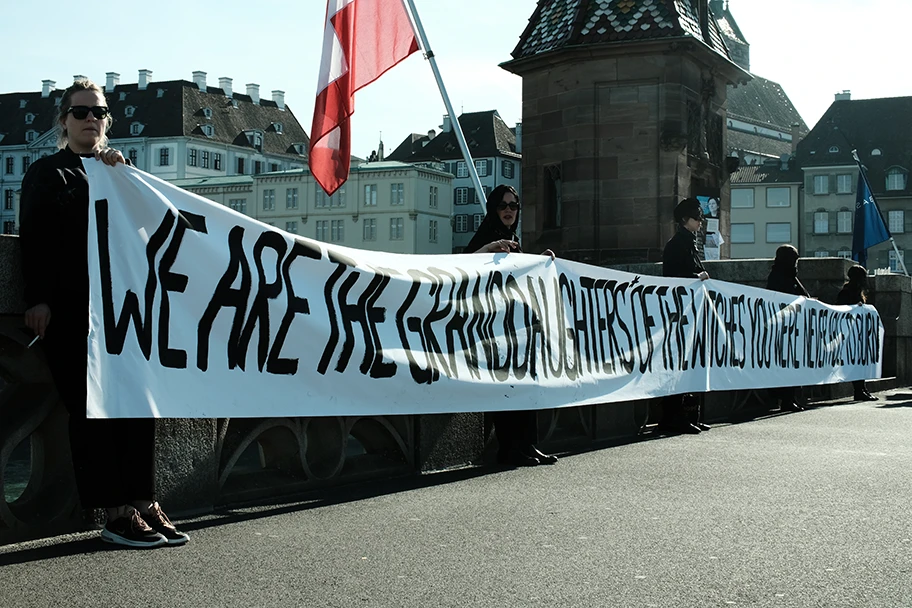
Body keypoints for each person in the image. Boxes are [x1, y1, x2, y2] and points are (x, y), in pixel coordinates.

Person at [19, 78, 188, 548]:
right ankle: (114, 514)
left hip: (123, 311)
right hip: (72, 311)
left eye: (98, 112)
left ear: (107, 120)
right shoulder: (48, 173)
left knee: (138, 404)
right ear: (64, 120)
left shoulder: (121, 173)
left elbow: (149, 230)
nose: (90, 119)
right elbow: (35, 241)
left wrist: (125, 175)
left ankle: (142, 502)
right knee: (91, 409)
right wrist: (37, 298)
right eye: (81, 112)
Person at [465, 185, 557, 466]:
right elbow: (462, 269)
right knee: (507, 388)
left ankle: (528, 444)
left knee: (528, 383)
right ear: (493, 209)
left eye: (513, 206)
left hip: (516, 328)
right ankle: (510, 448)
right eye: (502, 206)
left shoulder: (513, 240)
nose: (508, 210)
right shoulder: (485, 238)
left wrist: (540, 262)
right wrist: (487, 251)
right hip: (492, 330)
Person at [658, 197, 710, 435]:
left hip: (688, 310)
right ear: (684, 220)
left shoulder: (688, 241)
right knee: (679, 364)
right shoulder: (679, 243)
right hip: (679, 311)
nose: (700, 221)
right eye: (696, 218)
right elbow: (674, 275)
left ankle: (689, 415)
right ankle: (673, 418)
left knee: (690, 363)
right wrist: (696, 277)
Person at [765, 244, 808, 412]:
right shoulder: (778, 276)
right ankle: (786, 399)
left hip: (792, 327)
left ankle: (789, 397)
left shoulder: (789, 275)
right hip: (783, 328)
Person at [836, 265, 877, 402]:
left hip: (858, 333)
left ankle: (862, 389)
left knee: (860, 362)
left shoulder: (857, 292)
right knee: (855, 362)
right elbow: (841, 310)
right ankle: (859, 390)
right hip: (850, 334)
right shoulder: (846, 292)